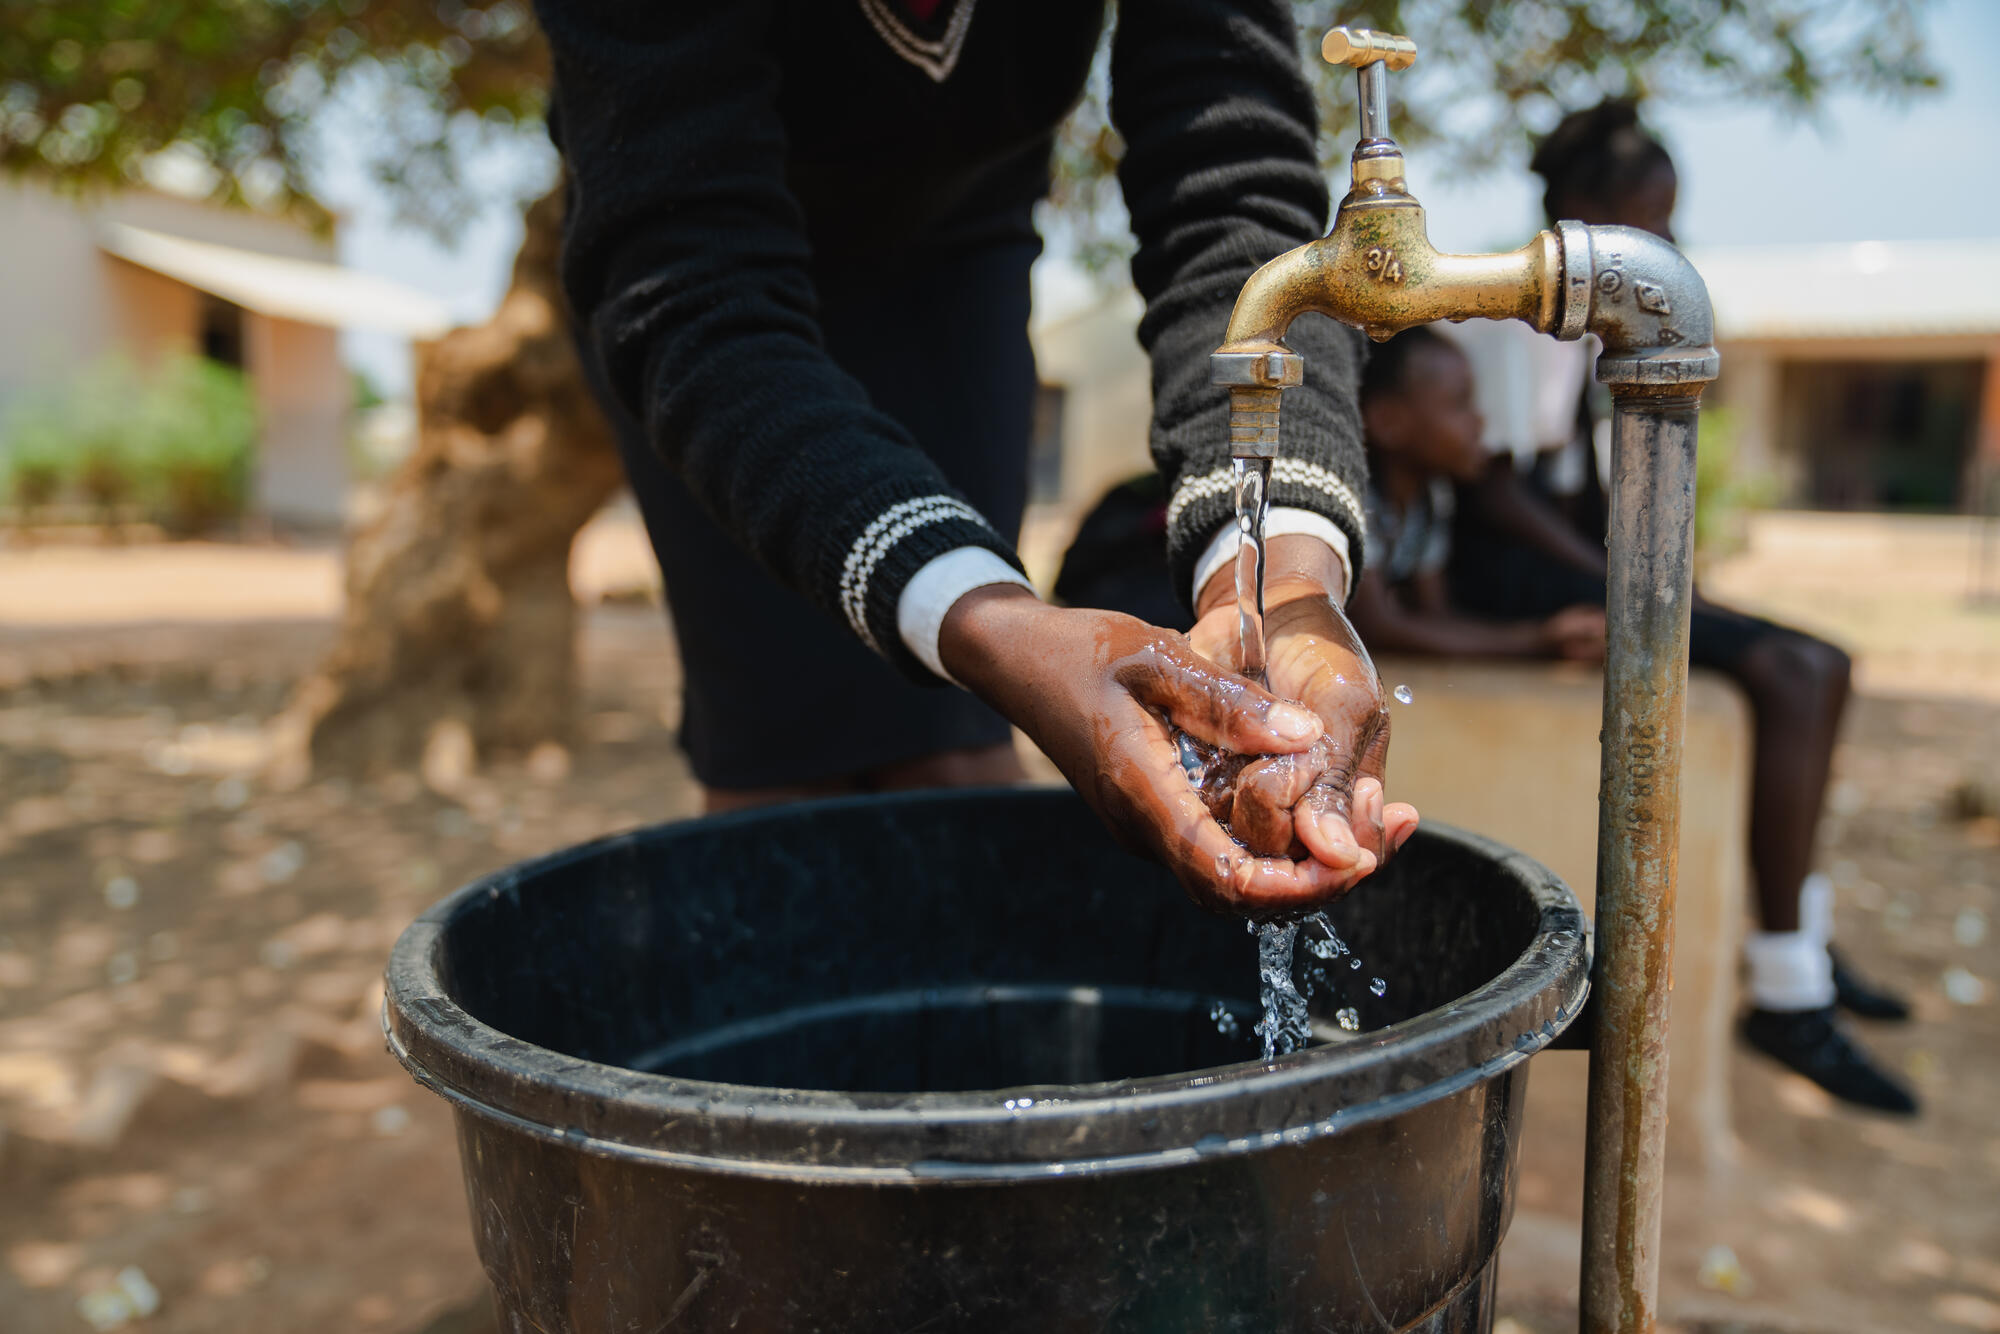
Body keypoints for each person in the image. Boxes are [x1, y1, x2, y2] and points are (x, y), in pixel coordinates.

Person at [529, 1, 1416, 917]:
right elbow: (684, 287)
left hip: (959, 252)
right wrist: (992, 628)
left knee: (951, 751)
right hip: (704, 287)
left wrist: (1275, 585)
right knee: (780, 763)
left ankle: (997, 1044)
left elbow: (1234, 190)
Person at [1445, 100, 1916, 1113]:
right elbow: (1493, 489)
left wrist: (1656, 564)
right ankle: (1788, 988)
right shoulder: (1508, 314)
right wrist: (1624, 570)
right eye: (1644, 220)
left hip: (1586, 559)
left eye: (1667, 223)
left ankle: (1804, 942)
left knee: (1823, 663)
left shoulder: (1608, 325)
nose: (1660, 243)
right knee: (1794, 670)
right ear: (1578, 210)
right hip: (1518, 576)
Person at [1345, 328, 1607, 664]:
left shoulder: (1429, 499)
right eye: (1460, 403)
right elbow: (1379, 627)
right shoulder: (1358, 498)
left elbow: (1433, 614)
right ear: (1388, 421)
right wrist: (1538, 641)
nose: (1479, 421)